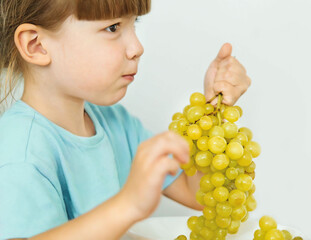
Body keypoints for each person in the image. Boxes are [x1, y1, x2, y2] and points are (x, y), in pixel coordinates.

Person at [0, 0, 251, 239]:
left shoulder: (116, 123)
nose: (137, 48)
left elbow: (197, 192)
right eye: (112, 27)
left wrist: (213, 109)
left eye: (135, 23)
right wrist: (128, 205)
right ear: (36, 45)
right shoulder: (19, 150)